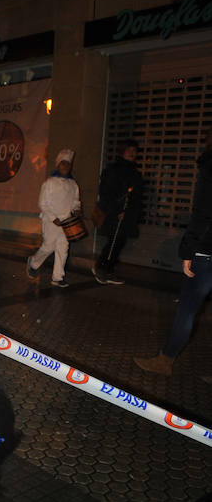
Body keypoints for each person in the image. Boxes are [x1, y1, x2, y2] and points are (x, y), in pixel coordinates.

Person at [134, 129, 212, 376]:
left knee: (188, 309)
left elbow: (204, 212)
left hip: (207, 250)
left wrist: (189, 249)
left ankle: (165, 360)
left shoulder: (211, 166)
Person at [26, 149, 81, 288]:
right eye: (63, 164)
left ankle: (58, 277)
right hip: (51, 221)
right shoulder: (49, 183)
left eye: (68, 164)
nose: (66, 167)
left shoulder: (73, 184)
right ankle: (33, 262)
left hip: (67, 221)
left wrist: (76, 209)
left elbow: (75, 201)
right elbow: (42, 203)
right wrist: (53, 217)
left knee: (63, 248)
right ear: (58, 165)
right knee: (48, 246)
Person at [92, 139, 143, 285]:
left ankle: (106, 269)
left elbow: (136, 196)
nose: (132, 153)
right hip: (115, 214)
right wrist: (117, 210)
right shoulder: (113, 169)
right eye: (129, 150)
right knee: (115, 242)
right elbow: (106, 192)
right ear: (122, 151)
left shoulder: (134, 172)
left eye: (134, 151)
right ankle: (102, 268)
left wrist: (134, 214)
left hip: (127, 214)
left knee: (118, 242)